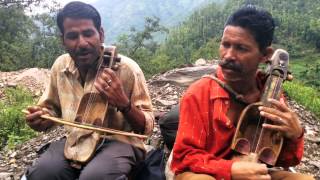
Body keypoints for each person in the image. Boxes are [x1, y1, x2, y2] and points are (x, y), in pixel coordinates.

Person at [170, 5, 314, 180]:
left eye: (241, 48)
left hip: (253, 172)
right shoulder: (199, 93)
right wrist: (231, 169)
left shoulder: (271, 95)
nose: (228, 55)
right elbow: (183, 157)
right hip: (207, 172)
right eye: (225, 45)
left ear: (265, 55)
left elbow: (285, 160)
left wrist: (295, 135)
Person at [24, 1, 154, 179]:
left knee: (95, 176)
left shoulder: (127, 69)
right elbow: (51, 110)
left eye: (88, 33)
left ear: (100, 34)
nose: (82, 43)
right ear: (63, 40)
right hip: (77, 140)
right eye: (72, 36)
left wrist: (124, 104)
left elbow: (147, 128)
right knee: (42, 173)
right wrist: (41, 118)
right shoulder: (60, 66)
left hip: (120, 142)